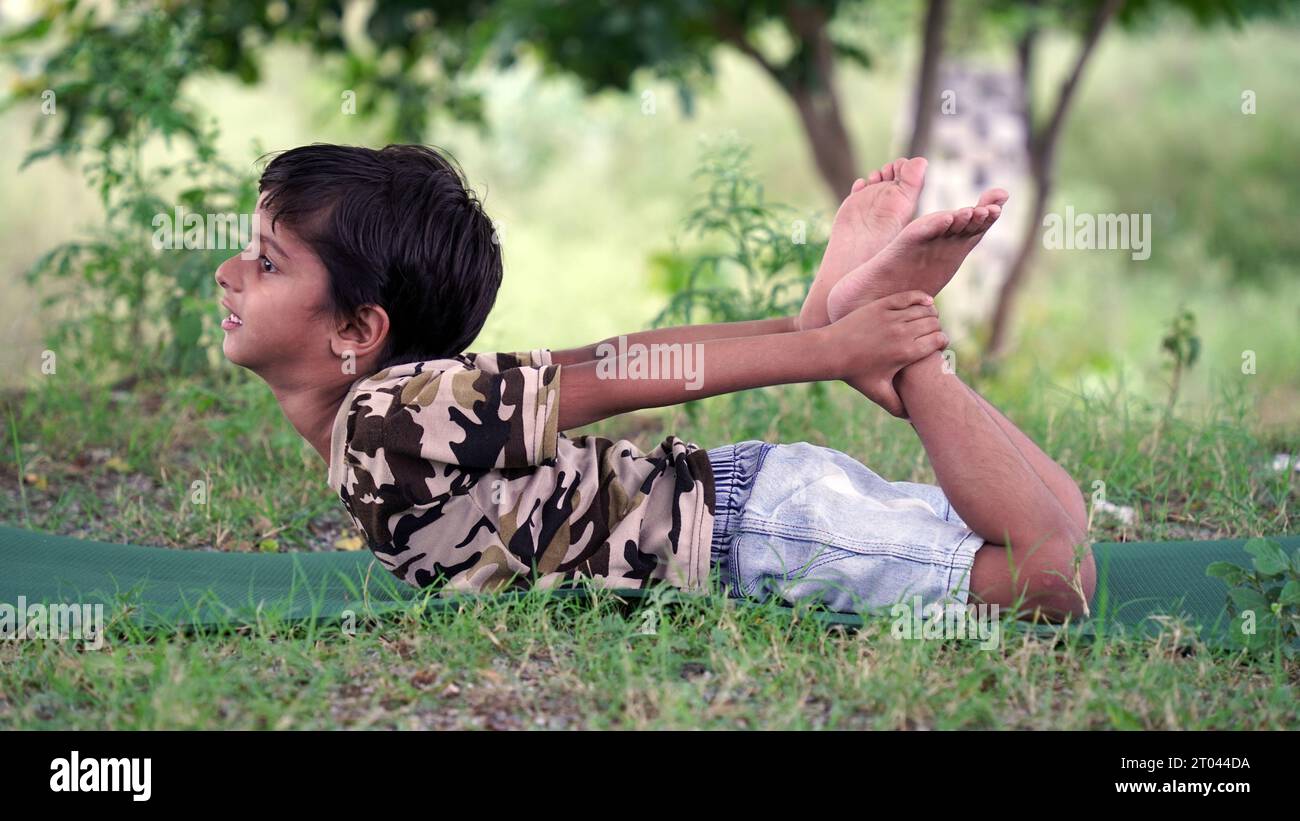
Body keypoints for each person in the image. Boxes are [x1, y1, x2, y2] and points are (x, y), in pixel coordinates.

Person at [213, 143, 1094, 624]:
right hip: (751, 506)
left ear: (357, 330)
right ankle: (869, 327)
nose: (229, 273)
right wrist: (806, 333)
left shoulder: (384, 418)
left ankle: (907, 348)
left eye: (265, 261)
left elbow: (623, 374)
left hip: (756, 540)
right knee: (1064, 527)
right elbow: (607, 355)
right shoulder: (403, 414)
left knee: (1055, 578)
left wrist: (830, 349)